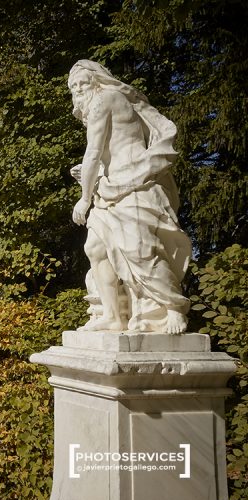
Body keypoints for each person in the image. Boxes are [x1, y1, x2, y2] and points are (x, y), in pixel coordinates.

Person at [68, 60, 191, 334]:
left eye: (83, 83)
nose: (78, 90)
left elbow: (94, 152)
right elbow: (108, 151)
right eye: (73, 86)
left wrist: (84, 198)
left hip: (133, 182)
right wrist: (95, 175)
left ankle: (174, 307)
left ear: (97, 81)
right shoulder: (106, 102)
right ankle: (113, 316)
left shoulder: (105, 98)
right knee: (96, 249)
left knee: (141, 250)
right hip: (110, 185)